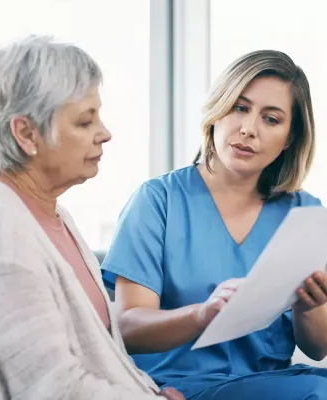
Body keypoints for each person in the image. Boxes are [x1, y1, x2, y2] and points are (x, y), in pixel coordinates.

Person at [0, 35, 184, 400]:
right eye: (84, 121)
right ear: (26, 133)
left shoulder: (52, 215)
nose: (105, 134)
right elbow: (51, 387)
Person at [101, 49, 327, 399]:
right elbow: (128, 327)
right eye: (240, 107)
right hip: (177, 388)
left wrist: (308, 306)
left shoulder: (306, 213)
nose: (249, 129)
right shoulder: (157, 201)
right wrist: (201, 316)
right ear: (217, 113)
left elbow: (316, 348)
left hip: (274, 386)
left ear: (290, 139)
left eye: (271, 119)